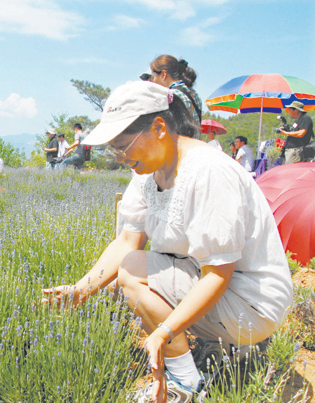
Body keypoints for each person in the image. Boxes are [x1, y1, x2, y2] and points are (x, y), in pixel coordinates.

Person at [41, 81, 292, 403]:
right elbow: (127, 241)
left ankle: (184, 380)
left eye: (123, 145)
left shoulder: (208, 171)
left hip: (250, 301)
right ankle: (212, 346)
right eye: (112, 149)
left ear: (159, 127)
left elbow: (219, 272)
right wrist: (80, 289)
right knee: (129, 267)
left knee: (132, 272)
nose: (119, 157)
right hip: (213, 284)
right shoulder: (149, 171)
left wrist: (164, 332)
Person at [149, 55, 202, 136]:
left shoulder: (171, 96)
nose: (153, 81)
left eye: (153, 77)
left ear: (163, 74)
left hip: (177, 147)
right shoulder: (194, 94)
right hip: (193, 146)